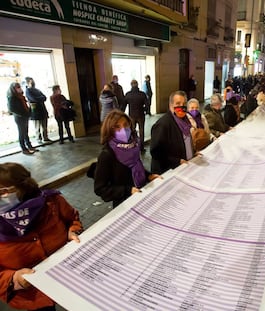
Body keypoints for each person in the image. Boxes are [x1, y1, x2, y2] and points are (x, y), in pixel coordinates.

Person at [0, 162, 82, 310]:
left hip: (68, 276)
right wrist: (13, 279)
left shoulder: (51, 201)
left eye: (2, 191)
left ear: (22, 187)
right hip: (33, 295)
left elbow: (72, 218)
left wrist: (73, 231)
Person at [94, 110, 158, 208]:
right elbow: (100, 188)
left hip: (142, 194)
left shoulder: (134, 145)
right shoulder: (107, 154)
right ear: (110, 130)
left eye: (125, 125)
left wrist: (149, 176)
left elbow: (137, 167)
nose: (123, 130)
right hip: (124, 204)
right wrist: (128, 190)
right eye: (117, 127)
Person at [150, 90, 194, 174]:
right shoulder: (162, 124)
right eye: (178, 104)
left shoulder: (185, 121)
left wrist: (193, 152)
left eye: (184, 104)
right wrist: (177, 161)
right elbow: (155, 152)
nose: (181, 106)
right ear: (171, 105)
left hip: (185, 167)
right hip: (169, 171)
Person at [6, 82, 37, 155]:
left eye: (19, 87)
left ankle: (29, 146)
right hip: (19, 118)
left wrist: (28, 111)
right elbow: (12, 109)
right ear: (13, 89)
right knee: (22, 133)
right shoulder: (12, 97)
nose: (19, 88)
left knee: (26, 132)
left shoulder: (20, 96)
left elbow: (25, 105)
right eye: (17, 87)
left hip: (25, 116)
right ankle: (24, 148)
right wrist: (21, 114)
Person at [25, 77, 51, 144]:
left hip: (42, 110)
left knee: (44, 126)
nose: (32, 83)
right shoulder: (28, 91)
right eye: (31, 82)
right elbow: (33, 99)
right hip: (35, 111)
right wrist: (40, 99)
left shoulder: (37, 90)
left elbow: (44, 97)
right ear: (27, 83)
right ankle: (38, 139)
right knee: (37, 127)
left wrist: (39, 99)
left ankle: (46, 138)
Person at [124, 80, 148, 152]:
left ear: (131, 85)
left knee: (132, 131)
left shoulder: (128, 94)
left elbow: (124, 104)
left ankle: (133, 146)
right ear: (137, 85)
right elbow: (147, 104)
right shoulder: (142, 94)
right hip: (140, 115)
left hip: (132, 115)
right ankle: (141, 147)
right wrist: (144, 110)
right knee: (141, 131)